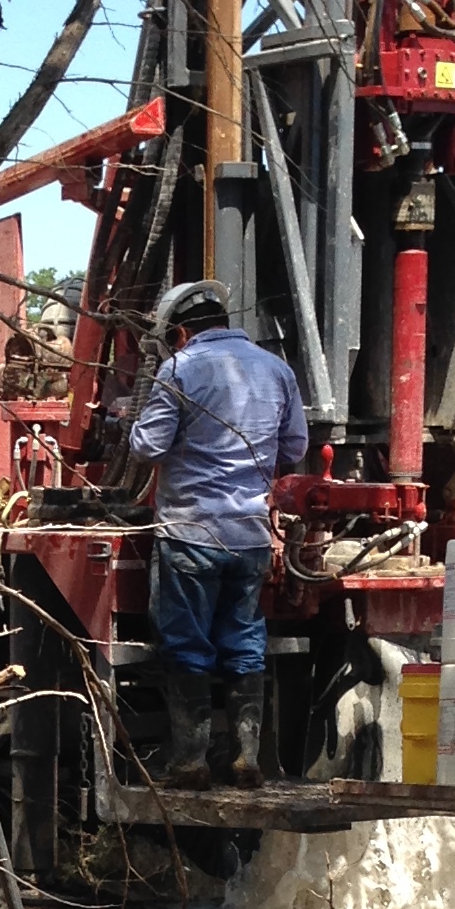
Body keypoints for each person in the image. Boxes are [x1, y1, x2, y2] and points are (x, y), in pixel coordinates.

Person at [127, 282, 308, 785]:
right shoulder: (277, 369)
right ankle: (246, 758)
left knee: (186, 644)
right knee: (245, 641)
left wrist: (129, 419)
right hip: (251, 536)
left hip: (191, 532)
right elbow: (294, 445)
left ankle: (189, 761)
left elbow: (148, 447)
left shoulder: (180, 368)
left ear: (181, 332)